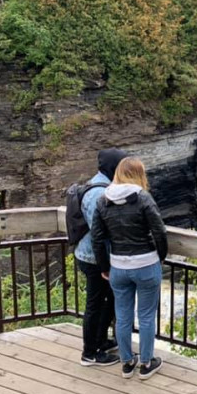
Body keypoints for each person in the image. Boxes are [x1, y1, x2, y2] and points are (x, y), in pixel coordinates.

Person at [91, 158, 167, 380]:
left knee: (122, 316)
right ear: (138, 175)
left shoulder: (103, 199)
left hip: (118, 267)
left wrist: (104, 266)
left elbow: (97, 238)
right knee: (145, 316)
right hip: (145, 265)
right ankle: (146, 363)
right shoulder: (143, 198)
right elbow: (159, 231)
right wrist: (160, 257)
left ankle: (126, 363)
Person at [75, 148, 127, 366]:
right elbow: (100, 233)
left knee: (109, 300)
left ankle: (100, 341)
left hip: (93, 256)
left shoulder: (97, 185)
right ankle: (90, 353)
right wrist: (106, 264)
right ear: (113, 167)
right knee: (95, 304)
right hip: (95, 259)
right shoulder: (99, 193)